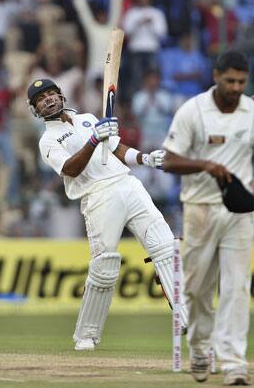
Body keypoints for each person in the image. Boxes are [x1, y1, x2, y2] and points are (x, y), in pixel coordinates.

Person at [27, 78, 188, 351]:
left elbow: (116, 149)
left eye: (52, 93)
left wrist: (146, 159)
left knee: (166, 248)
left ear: (62, 96)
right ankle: (86, 335)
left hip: (128, 183)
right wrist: (93, 140)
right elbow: (70, 169)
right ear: (35, 109)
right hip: (98, 196)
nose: (49, 99)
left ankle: (186, 316)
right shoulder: (48, 140)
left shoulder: (89, 118)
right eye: (41, 99)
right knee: (104, 268)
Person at [162, 51, 254, 386]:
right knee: (197, 289)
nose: (236, 87)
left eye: (242, 81)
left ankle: (233, 363)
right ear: (216, 75)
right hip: (199, 208)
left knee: (237, 286)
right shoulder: (193, 111)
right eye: (230, 80)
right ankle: (199, 349)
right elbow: (169, 161)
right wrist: (207, 166)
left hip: (239, 211)